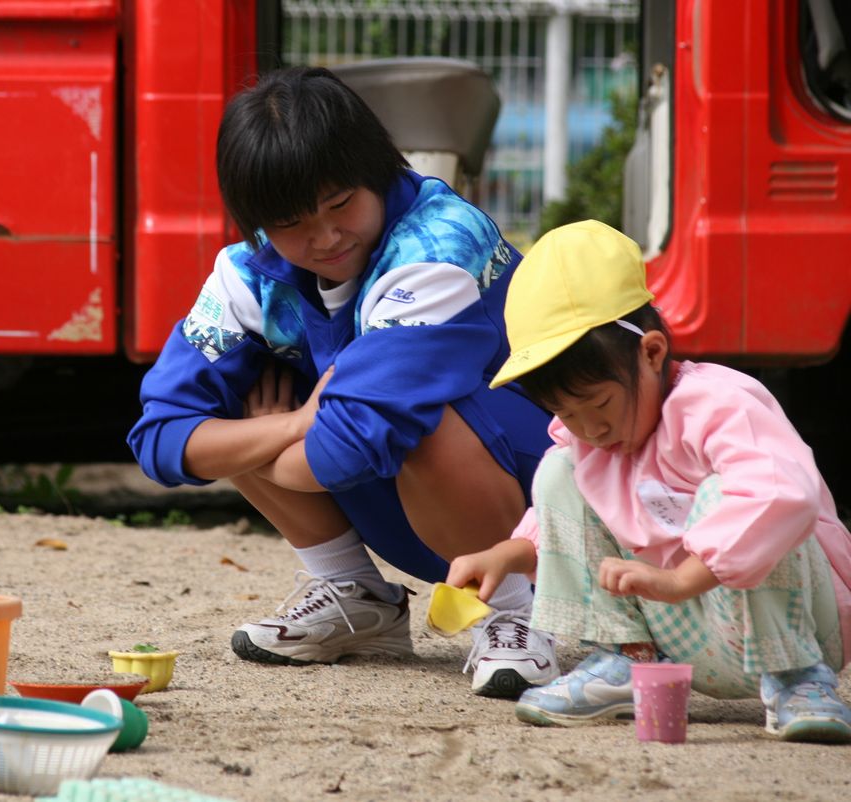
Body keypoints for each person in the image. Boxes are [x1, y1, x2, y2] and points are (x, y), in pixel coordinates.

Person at [128, 66, 559, 698]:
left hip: (546, 515)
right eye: (293, 222)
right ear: (256, 222)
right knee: (243, 410)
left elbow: (349, 447)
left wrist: (271, 440)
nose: (325, 237)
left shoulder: (440, 246)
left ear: (380, 170)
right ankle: (356, 595)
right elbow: (160, 436)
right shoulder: (250, 273)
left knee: (416, 422)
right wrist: (294, 425)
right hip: (410, 507)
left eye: (341, 204)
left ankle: (516, 615)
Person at [448, 219, 851, 742]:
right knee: (560, 468)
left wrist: (682, 581)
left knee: (737, 494)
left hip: (796, 629)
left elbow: (782, 496)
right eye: (565, 413)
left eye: (599, 403)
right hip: (694, 634)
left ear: (652, 352)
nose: (590, 428)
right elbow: (574, 511)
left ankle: (800, 681)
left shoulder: (720, 404)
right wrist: (510, 553)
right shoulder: (593, 441)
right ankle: (626, 659)